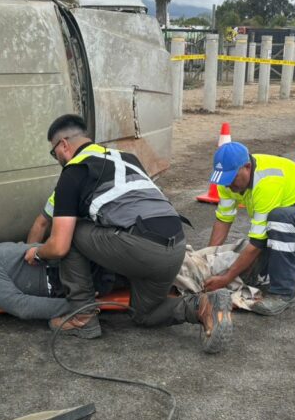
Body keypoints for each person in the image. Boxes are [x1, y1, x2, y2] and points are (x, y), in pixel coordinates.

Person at [25, 114, 232, 352]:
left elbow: (59, 245)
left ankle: (83, 318)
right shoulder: (128, 158)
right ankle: (203, 306)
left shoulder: (73, 172)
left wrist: (38, 252)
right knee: (146, 314)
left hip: (141, 246)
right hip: (175, 248)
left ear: (64, 144)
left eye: (55, 153)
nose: (57, 158)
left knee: (69, 233)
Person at [202, 143, 295, 316]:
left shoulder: (266, 181)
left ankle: (283, 294)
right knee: (252, 273)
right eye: (223, 180)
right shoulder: (227, 181)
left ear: (247, 168)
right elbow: (223, 220)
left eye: (231, 179)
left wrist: (226, 277)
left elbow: (257, 242)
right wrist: (208, 261)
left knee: (279, 220)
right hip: (290, 224)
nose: (227, 185)